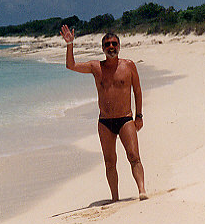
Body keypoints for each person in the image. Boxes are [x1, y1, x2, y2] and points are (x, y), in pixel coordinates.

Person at [60, 24, 148, 201]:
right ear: (102, 48)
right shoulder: (96, 67)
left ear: (119, 46)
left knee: (134, 156)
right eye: (107, 44)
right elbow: (71, 65)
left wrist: (139, 116)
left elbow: (137, 91)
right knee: (109, 162)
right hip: (105, 122)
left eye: (114, 44)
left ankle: (142, 190)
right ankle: (115, 198)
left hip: (125, 119)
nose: (111, 47)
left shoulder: (129, 66)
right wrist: (70, 44)